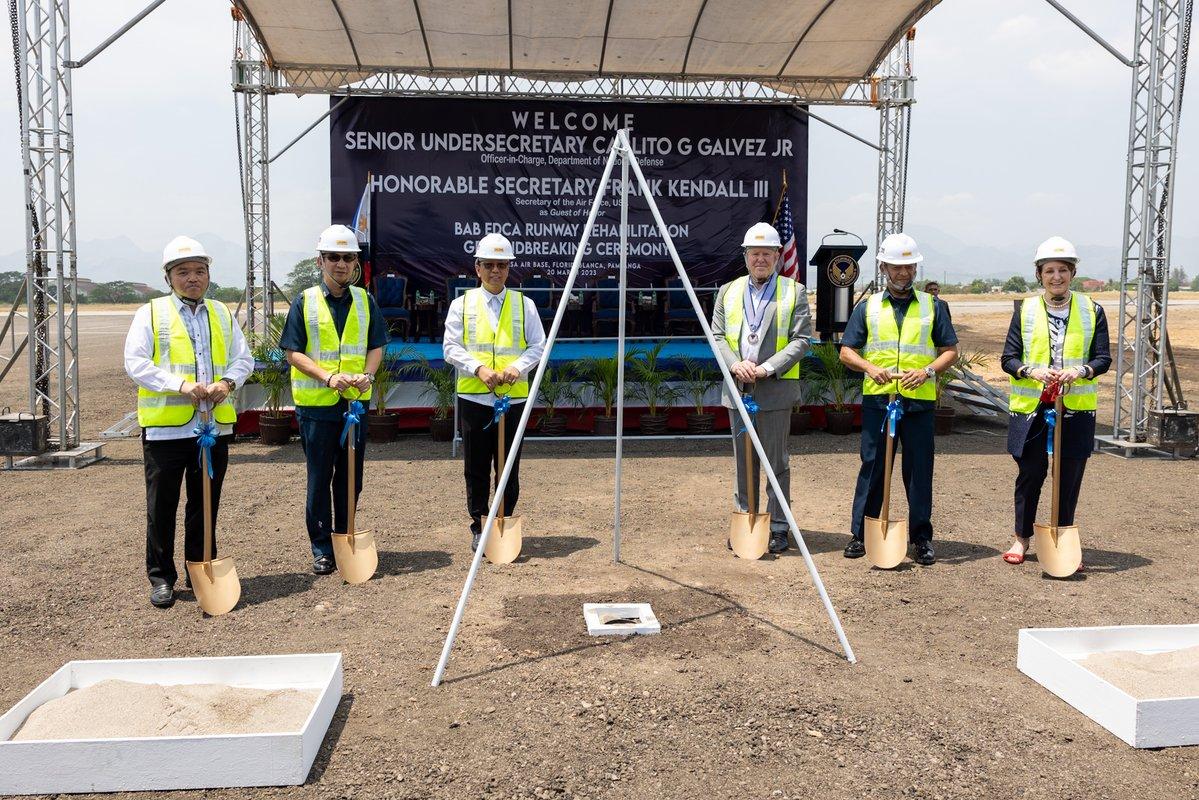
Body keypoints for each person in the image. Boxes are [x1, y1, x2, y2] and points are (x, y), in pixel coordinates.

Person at [124, 236, 253, 608]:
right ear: (169, 277)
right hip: (166, 430)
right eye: (183, 272)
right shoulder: (150, 314)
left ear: (208, 274)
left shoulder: (222, 313)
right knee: (161, 506)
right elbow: (136, 363)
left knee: (205, 504)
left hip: (211, 431)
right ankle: (162, 577)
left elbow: (242, 359)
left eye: (199, 271)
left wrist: (227, 382)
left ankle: (201, 567)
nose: (192, 278)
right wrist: (180, 385)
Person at [839, 232, 959, 566]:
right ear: (883, 267)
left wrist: (928, 372)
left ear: (915, 269)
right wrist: (869, 367)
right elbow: (847, 352)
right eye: (895, 266)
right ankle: (861, 534)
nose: (902, 273)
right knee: (873, 467)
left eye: (908, 266)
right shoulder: (868, 307)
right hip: (879, 400)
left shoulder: (934, 307)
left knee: (920, 471)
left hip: (918, 402)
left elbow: (949, 350)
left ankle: (921, 539)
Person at [281, 224, 388, 575]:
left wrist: (367, 376)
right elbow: (293, 353)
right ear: (320, 261)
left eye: (347, 257)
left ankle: (346, 535)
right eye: (333, 257)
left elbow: (377, 346)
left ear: (356, 262)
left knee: (351, 477)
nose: (341, 264)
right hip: (317, 407)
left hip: (355, 405)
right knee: (319, 477)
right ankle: (322, 547)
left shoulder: (365, 301)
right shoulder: (305, 301)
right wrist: (327, 377)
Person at [1000, 236, 1110, 566]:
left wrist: (1081, 370)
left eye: (1063, 270)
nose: (1056, 277)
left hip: (1075, 408)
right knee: (1031, 473)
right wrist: (1030, 371)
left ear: (1072, 273)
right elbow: (1008, 358)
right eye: (1050, 270)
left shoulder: (1093, 310)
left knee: (1068, 474)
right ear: (1039, 275)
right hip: (1032, 408)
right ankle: (1022, 538)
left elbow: (1103, 358)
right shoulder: (1025, 310)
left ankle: (1062, 537)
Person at [711, 222, 813, 554]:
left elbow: (801, 341)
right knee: (744, 462)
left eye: (767, 254)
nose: (760, 259)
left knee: (776, 462)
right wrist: (734, 364)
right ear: (745, 256)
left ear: (778, 256)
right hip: (739, 388)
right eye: (754, 253)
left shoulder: (793, 292)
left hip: (775, 389)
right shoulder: (727, 291)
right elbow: (717, 337)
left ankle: (779, 526)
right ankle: (747, 518)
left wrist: (767, 368)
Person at [443, 232, 546, 552]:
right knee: (475, 466)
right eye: (489, 265)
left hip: (512, 398)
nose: (496, 271)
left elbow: (539, 347)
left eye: (502, 265)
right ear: (477, 268)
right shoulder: (461, 305)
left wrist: (517, 368)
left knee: (508, 466)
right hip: (475, 397)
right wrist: (479, 369)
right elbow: (450, 348)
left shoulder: (524, 305)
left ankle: (504, 520)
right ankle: (480, 523)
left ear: (509, 268)